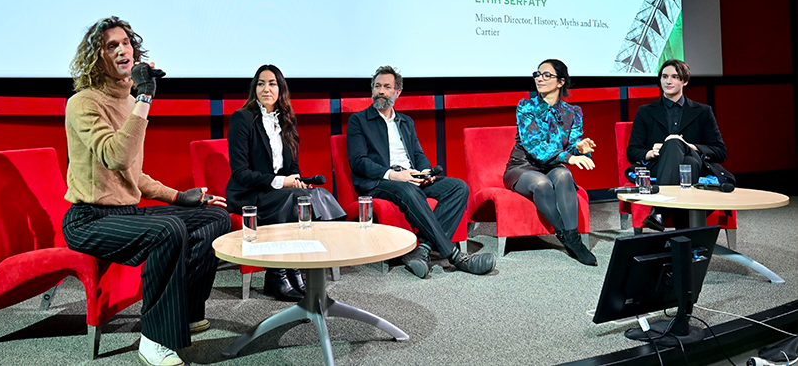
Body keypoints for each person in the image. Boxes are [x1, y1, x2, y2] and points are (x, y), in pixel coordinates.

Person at [60, 16, 232, 366]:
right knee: (167, 230)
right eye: (111, 45)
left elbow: (133, 174)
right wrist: (145, 98)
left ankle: (185, 313)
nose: (122, 49)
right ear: (98, 58)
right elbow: (114, 156)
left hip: (126, 213)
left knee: (215, 217)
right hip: (88, 220)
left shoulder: (128, 101)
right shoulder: (83, 103)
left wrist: (179, 196)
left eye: (125, 42)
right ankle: (154, 338)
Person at [346, 65, 495, 278]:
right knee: (408, 191)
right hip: (379, 182)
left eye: (387, 87)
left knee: (458, 187)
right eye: (377, 86)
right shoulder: (359, 121)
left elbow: (417, 153)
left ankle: (422, 250)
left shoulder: (405, 121)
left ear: (397, 92)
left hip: (410, 178)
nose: (381, 91)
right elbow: (359, 162)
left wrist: (424, 172)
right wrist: (395, 175)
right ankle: (455, 256)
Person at [226, 64, 346, 301]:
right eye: (261, 83)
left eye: (272, 84)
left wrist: (297, 181)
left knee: (315, 194)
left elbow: (293, 168)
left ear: (280, 89)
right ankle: (279, 273)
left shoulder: (287, 120)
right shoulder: (242, 118)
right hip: (249, 193)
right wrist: (283, 182)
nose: (266, 88)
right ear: (254, 88)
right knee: (294, 198)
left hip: (281, 194)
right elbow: (241, 173)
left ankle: (299, 267)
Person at [503, 59, 597, 265]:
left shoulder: (573, 113)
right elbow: (536, 147)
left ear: (561, 81)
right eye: (537, 74)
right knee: (541, 183)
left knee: (564, 174)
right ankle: (569, 238)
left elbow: (571, 146)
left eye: (547, 75)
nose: (540, 78)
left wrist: (579, 148)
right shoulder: (526, 107)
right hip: (522, 168)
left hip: (552, 167)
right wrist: (570, 157)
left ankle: (572, 236)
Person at [626, 58, 728, 231]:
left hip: (698, 164)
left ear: (684, 81)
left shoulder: (703, 111)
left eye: (674, 77)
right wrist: (652, 152)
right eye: (664, 77)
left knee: (679, 148)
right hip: (661, 165)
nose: (668, 81)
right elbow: (632, 151)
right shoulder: (645, 111)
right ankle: (686, 240)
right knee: (686, 162)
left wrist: (688, 146)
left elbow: (720, 151)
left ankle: (659, 212)